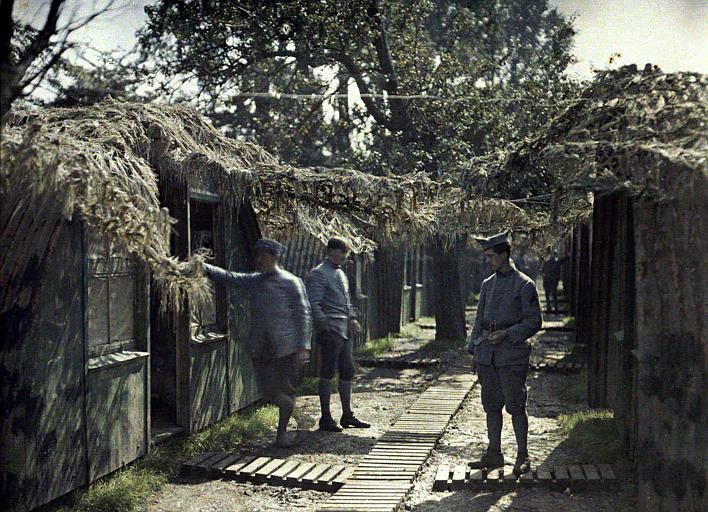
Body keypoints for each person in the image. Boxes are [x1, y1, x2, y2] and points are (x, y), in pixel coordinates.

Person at [202, 237, 312, 448]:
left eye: (264, 256)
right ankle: (288, 415)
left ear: (275, 257)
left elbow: (304, 315)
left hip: (285, 348)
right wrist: (203, 266)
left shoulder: (292, 282)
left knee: (283, 391)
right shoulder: (255, 280)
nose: (259, 260)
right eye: (257, 255)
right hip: (261, 347)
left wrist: (303, 347)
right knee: (267, 391)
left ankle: (281, 435)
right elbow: (230, 277)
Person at [467, 231, 542, 476]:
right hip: (487, 355)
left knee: (515, 406)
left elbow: (534, 321)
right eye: (486, 256)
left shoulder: (524, 284)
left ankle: (523, 455)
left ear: (505, 255)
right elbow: (479, 320)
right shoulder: (488, 284)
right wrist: (474, 351)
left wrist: (507, 334)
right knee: (491, 406)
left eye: (491, 256)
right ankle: (494, 454)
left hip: (512, 356)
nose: (488, 261)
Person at [306, 237, 370, 432]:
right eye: (340, 252)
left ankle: (347, 414)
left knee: (348, 370)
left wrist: (352, 319)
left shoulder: (340, 273)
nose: (343, 256)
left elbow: (346, 302)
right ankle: (325, 417)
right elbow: (314, 303)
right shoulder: (319, 273)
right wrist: (324, 325)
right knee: (327, 371)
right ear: (331, 251)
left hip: (344, 331)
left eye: (345, 253)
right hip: (330, 330)